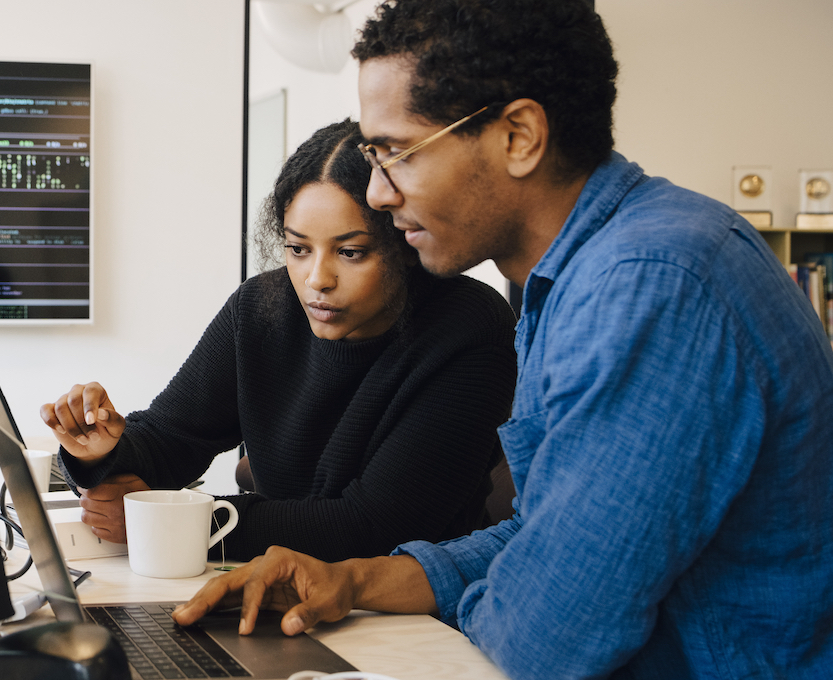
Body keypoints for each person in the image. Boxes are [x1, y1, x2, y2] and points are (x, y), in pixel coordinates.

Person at [172, 1, 833, 678]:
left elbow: (549, 638)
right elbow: (540, 539)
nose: (375, 193)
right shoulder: (576, 281)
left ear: (518, 136)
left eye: (394, 152)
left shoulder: (651, 288)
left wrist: (495, 598)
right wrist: (352, 582)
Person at [40, 119, 517, 563]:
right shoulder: (261, 308)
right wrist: (100, 452)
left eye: (350, 252)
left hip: (408, 619)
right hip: (278, 584)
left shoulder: (468, 328)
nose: (316, 280)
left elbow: (375, 526)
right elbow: (173, 436)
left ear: (403, 245)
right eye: (298, 248)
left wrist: (176, 523)